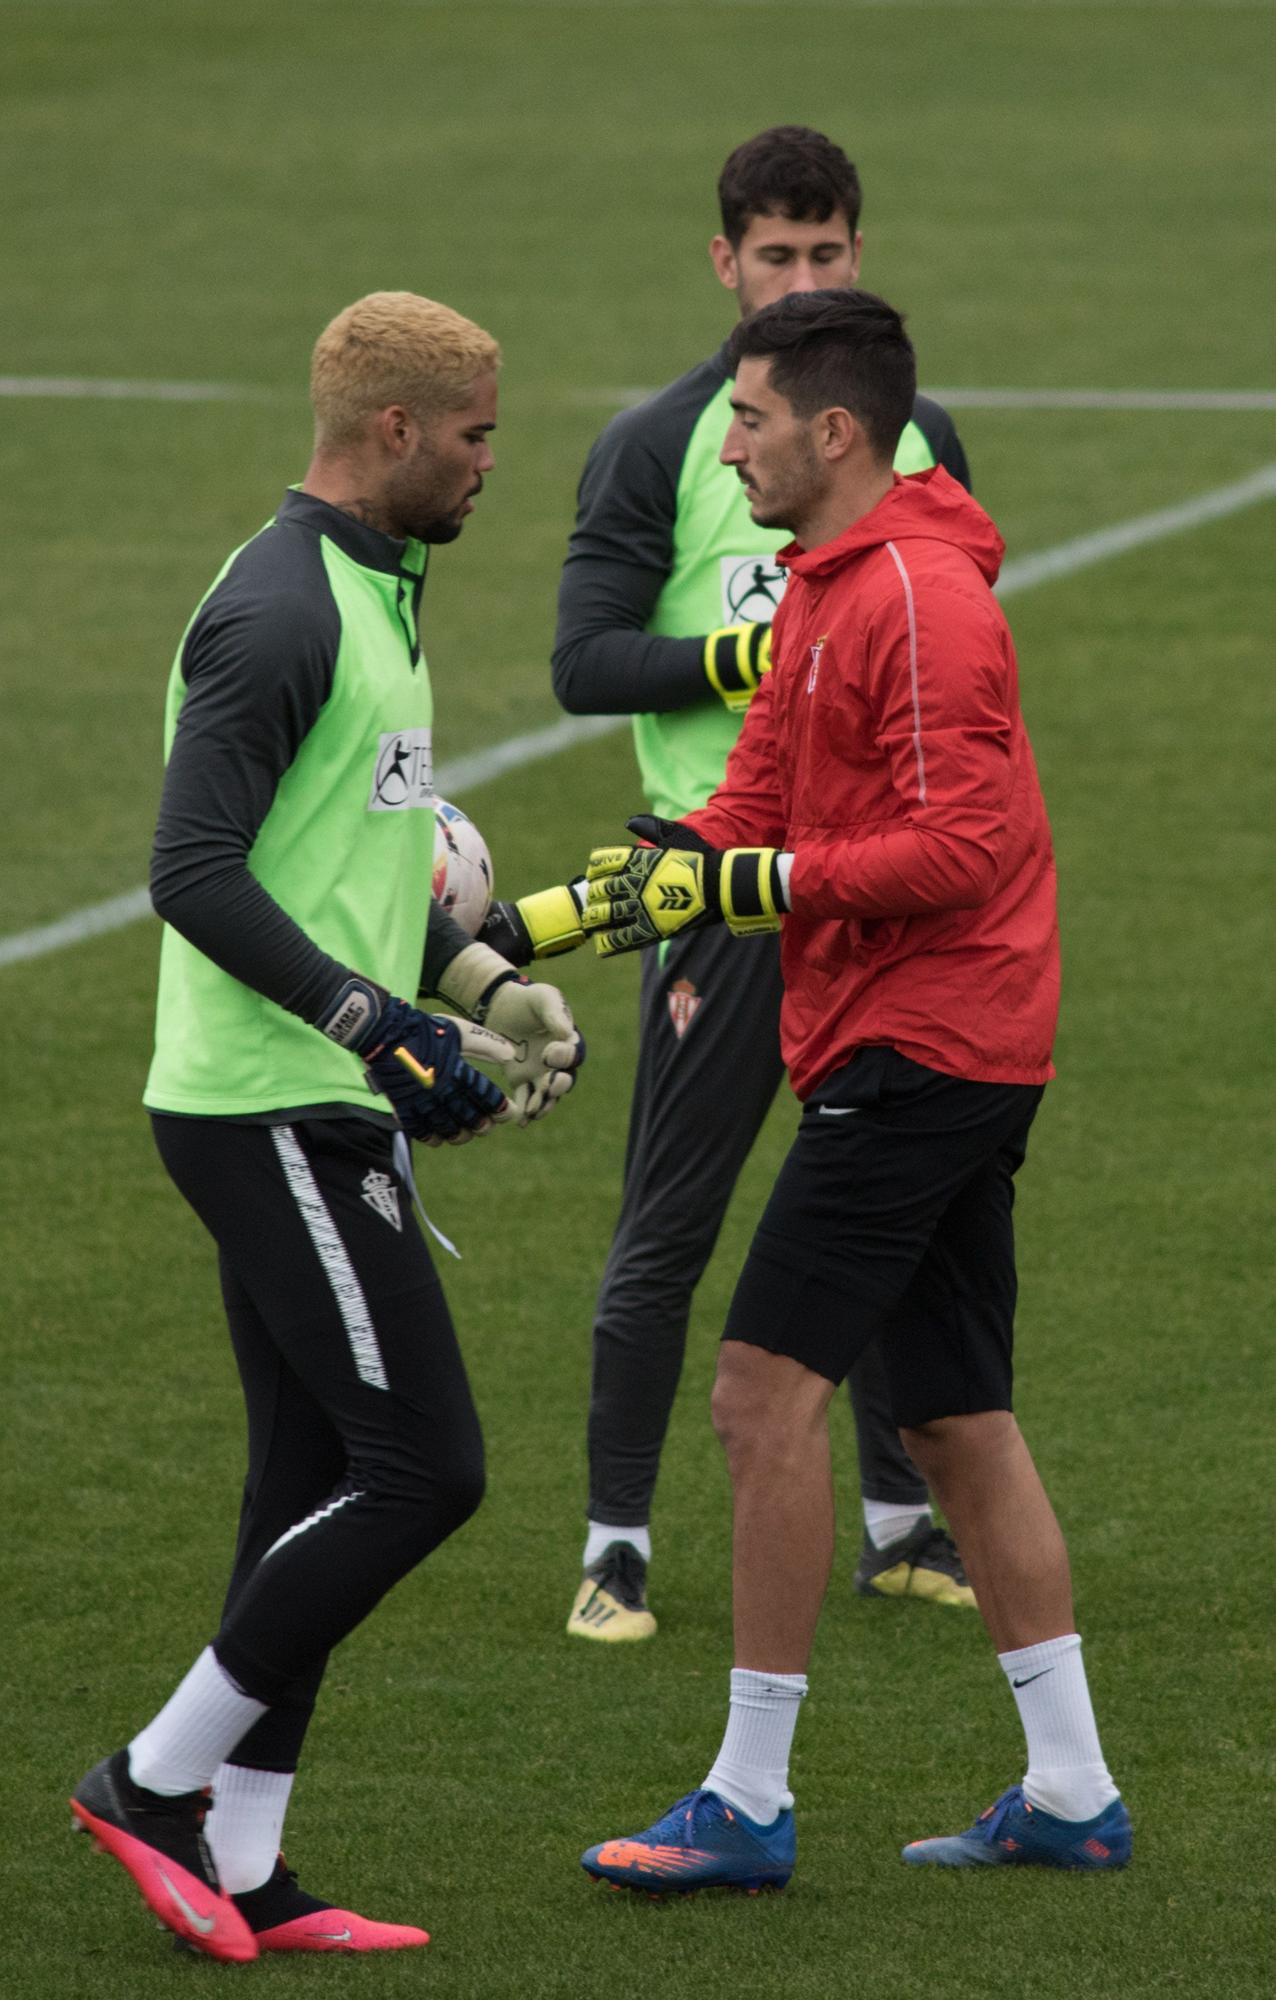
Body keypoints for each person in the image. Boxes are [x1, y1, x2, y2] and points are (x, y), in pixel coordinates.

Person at [577, 288, 1130, 1890]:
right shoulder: (823, 583)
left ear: (831, 434)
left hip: (927, 1044)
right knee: (959, 1420)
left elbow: (965, 847)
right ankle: (1074, 1789)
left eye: (746, 418)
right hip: (926, 1033)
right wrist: (624, 890)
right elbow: (754, 792)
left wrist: (751, 890)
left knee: (761, 1395)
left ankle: (748, 1802)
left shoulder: (918, 601)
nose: (724, 439)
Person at [67, 292, 585, 1963]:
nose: (494, 464)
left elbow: (350, 859)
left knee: (305, 1479)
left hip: (321, 1091)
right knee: (426, 1470)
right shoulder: (284, 611)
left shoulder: (380, 589)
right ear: (391, 434)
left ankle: (250, 1865)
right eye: (477, 437)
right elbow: (194, 870)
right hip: (264, 1101)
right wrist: (380, 1031)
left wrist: (479, 979)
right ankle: (149, 1785)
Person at [494, 126, 974, 1640]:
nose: (806, 279)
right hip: (719, 888)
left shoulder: (919, 433)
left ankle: (902, 1518)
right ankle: (616, 1543)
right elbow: (581, 659)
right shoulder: (668, 442)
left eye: (830, 255)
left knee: (891, 1203)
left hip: (875, 891)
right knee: (674, 1218)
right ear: (727, 262)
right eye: (779, 256)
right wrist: (759, 654)